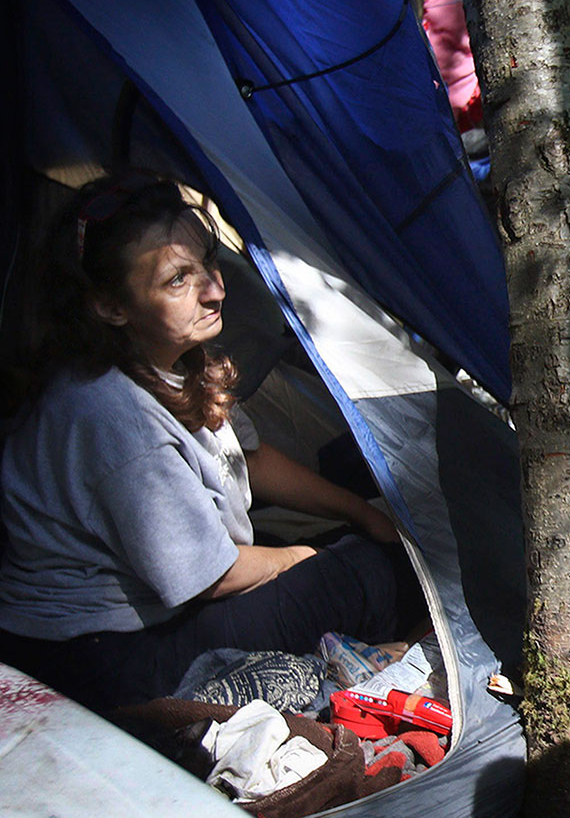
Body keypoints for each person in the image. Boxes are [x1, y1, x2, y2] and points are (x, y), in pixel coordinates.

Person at [0, 174, 423, 713]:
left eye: (207, 262)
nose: (216, 289)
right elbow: (208, 575)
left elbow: (248, 458)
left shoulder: (168, 361)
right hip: (101, 656)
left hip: (168, 602)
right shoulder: (110, 413)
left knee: (364, 487)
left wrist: (362, 514)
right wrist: (301, 556)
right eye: (178, 280)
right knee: (381, 573)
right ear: (110, 306)